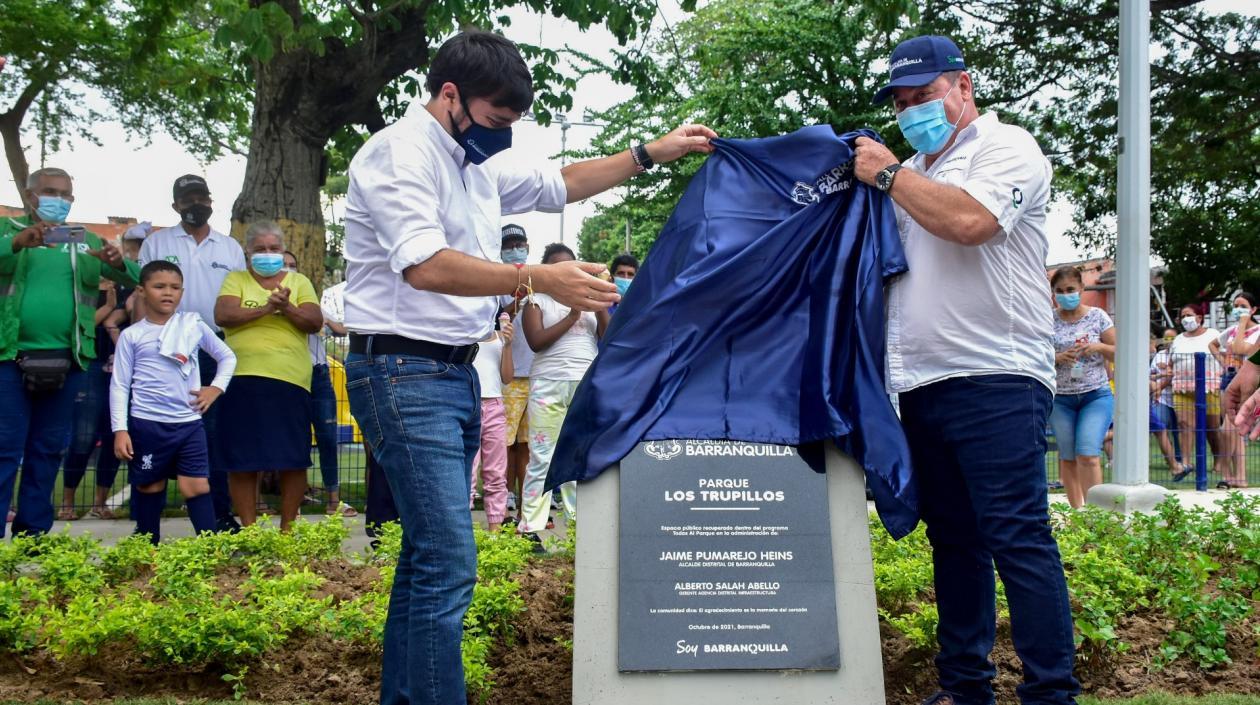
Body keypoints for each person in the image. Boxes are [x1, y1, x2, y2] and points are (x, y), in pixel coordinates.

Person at [340, 28, 714, 705]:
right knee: (450, 558)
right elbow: (425, 264)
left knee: (430, 558)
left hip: (452, 374)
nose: (504, 135)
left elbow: (563, 183)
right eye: (495, 119)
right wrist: (538, 275)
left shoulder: (472, 158)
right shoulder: (400, 153)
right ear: (449, 95)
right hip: (400, 370)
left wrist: (649, 153)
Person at [856, 35, 1079, 705]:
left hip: (997, 376)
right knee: (954, 542)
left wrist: (891, 174)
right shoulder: (914, 169)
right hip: (922, 383)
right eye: (900, 103)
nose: (911, 111)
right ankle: (964, 686)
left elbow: (973, 221)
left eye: (923, 96)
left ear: (963, 86)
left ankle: (1049, 692)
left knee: (1016, 535)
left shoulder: (1005, 149)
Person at [0, 167, 140, 538]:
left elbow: (141, 279)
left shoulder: (87, 240)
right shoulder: (6, 231)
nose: (57, 200)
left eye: (65, 194)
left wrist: (117, 263)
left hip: (69, 358)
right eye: (49, 191)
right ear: (29, 196)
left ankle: (33, 536)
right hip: (8, 358)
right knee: (4, 450)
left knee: (48, 450)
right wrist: (17, 243)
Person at [140, 175, 246, 532]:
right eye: (188, 199)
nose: (195, 204)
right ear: (175, 205)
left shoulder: (229, 247)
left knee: (213, 434)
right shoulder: (157, 242)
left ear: (212, 201)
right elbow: (143, 298)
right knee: (157, 428)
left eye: (201, 196)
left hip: (213, 346)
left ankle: (216, 513)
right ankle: (146, 521)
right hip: (165, 350)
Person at [111, 261, 236, 543]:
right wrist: (120, 430)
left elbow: (227, 357)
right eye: (159, 287)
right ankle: (146, 547)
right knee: (150, 485)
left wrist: (215, 388)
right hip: (147, 424)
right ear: (142, 291)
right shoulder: (132, 336)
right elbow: (119, 385)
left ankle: (209, 548)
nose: (168, 293)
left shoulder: (192, 325)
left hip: (189, 424)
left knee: (197, 485)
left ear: (182, 291)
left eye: (175, 287)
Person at [214, 222, 323, 530]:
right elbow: (223, 315)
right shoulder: (235, 279)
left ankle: (287, 529)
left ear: (283, 250)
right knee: (241, 458)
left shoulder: (298, 281)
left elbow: (314, 321)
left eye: (274, 249)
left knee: (293, 456)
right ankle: (250, 529)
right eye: (261, 249)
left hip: (289, 380)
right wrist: (265, 308)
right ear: (248, 251)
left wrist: (286, 307)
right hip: (241, 378)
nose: (268, 254)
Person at [518, 244, 609, 544]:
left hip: (584, 382)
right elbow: (536, 341)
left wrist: (598, 304)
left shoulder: (588, 300)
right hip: (549, 383)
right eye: (557, 267)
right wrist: (572, 316)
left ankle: (578, 529)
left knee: (578, 455)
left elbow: (607, 338)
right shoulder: (536, 300)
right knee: (542, 457)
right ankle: (531, 528)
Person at [283, 251, 356, 516]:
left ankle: (333, 500)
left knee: (327, 436)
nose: (288, 270)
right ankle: (293, 500)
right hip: (288, 375)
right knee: (294, 438)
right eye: (283, 265)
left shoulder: (309, 302)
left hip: (318, 372)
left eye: (293, 265)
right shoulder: (269, 304)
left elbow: (336, 328)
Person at [1048, 266, 1115, 508]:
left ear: (1081, 289)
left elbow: (1119, 351)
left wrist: (1098, 347)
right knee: (1067, 456)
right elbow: (1035, 354)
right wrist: (1057, 357)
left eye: (1070, 289)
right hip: (1060, 398)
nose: (1066, 294)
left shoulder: (1098, 316)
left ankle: (1095, 513)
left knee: (1087, 453)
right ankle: (1078, 512)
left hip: (1095, 395)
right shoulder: (1047, 319)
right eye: (1059, 291)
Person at [499, 224, 534, 520]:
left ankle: (527, 514)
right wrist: (516, 301)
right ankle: (502, 512)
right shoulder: (493, 283)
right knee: (504, 446)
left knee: (528, 446)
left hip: (537, 373)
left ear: (527, 245)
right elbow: (495, 322)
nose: (514, 249)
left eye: (518, 243)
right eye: (508, 245)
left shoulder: (540, 279)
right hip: (508, 376)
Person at [1169, 304, 1225, 482]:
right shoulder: (1178, 339)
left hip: (1209, 386)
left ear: (1200, 317)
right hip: (1182, 387)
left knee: (1212, 426)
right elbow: (1170, 362)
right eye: (1183, 315)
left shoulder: (1213, 335)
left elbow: (1224, 357)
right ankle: (1186, 462)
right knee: (1185, 424)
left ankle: (1218, 459)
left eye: (1189, 315)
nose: (1186, 318)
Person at [469, 312, 514, 531]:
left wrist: (507, 346)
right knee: (468, 470)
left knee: (496, 472)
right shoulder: (464, 335)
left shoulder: (499, 337)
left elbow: (507, 377)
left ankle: (495, 528)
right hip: (469, 405)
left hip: (495, 405)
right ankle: (463, 528)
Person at [1215, 293, 1258, 488]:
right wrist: (1222, 360)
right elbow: (1213, 344)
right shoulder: (1231, 330)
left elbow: (1241, 349)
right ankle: (1238, 476)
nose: (1238, 308)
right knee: (1232, 429)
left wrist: (1242, 322)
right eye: (1235, 305)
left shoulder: (1257, 331)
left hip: (1249, 381)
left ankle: (1226, 473)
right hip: (1230, 379)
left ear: (1253, 309)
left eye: (1243, 305)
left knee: (1229, 429)